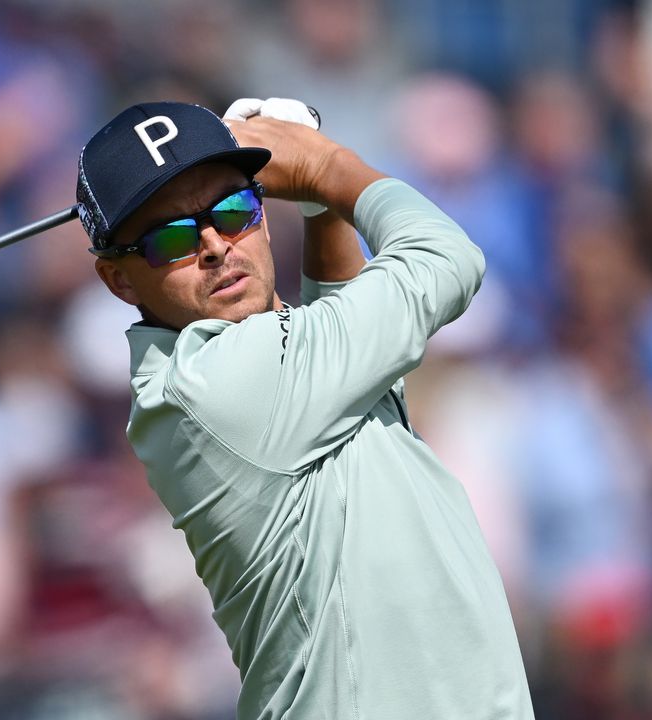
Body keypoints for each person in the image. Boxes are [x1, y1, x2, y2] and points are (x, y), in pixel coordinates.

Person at [76, 100, 533, 719]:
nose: (215, 245)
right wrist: (325, 166)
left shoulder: (261, 370)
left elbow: (349, 361)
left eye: (233, 209)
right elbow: (445, 259)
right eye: (172, 238)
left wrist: (323, 214)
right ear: (120, 281)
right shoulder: (211, 387)